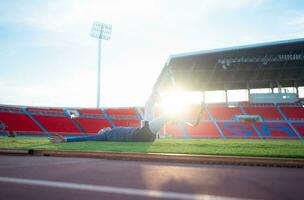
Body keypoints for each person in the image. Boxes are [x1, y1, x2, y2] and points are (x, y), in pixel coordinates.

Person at [50, 91, 169, 143]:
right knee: (167, 115)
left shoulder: (112, 130)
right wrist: (66, 139)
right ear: (101, 133)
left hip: (142, 131)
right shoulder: (106, 135)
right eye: (100, 130)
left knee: (148, 105)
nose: (102, 128)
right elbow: (87, 138)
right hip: (141, 135)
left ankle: (155, 97)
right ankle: (172, 112)